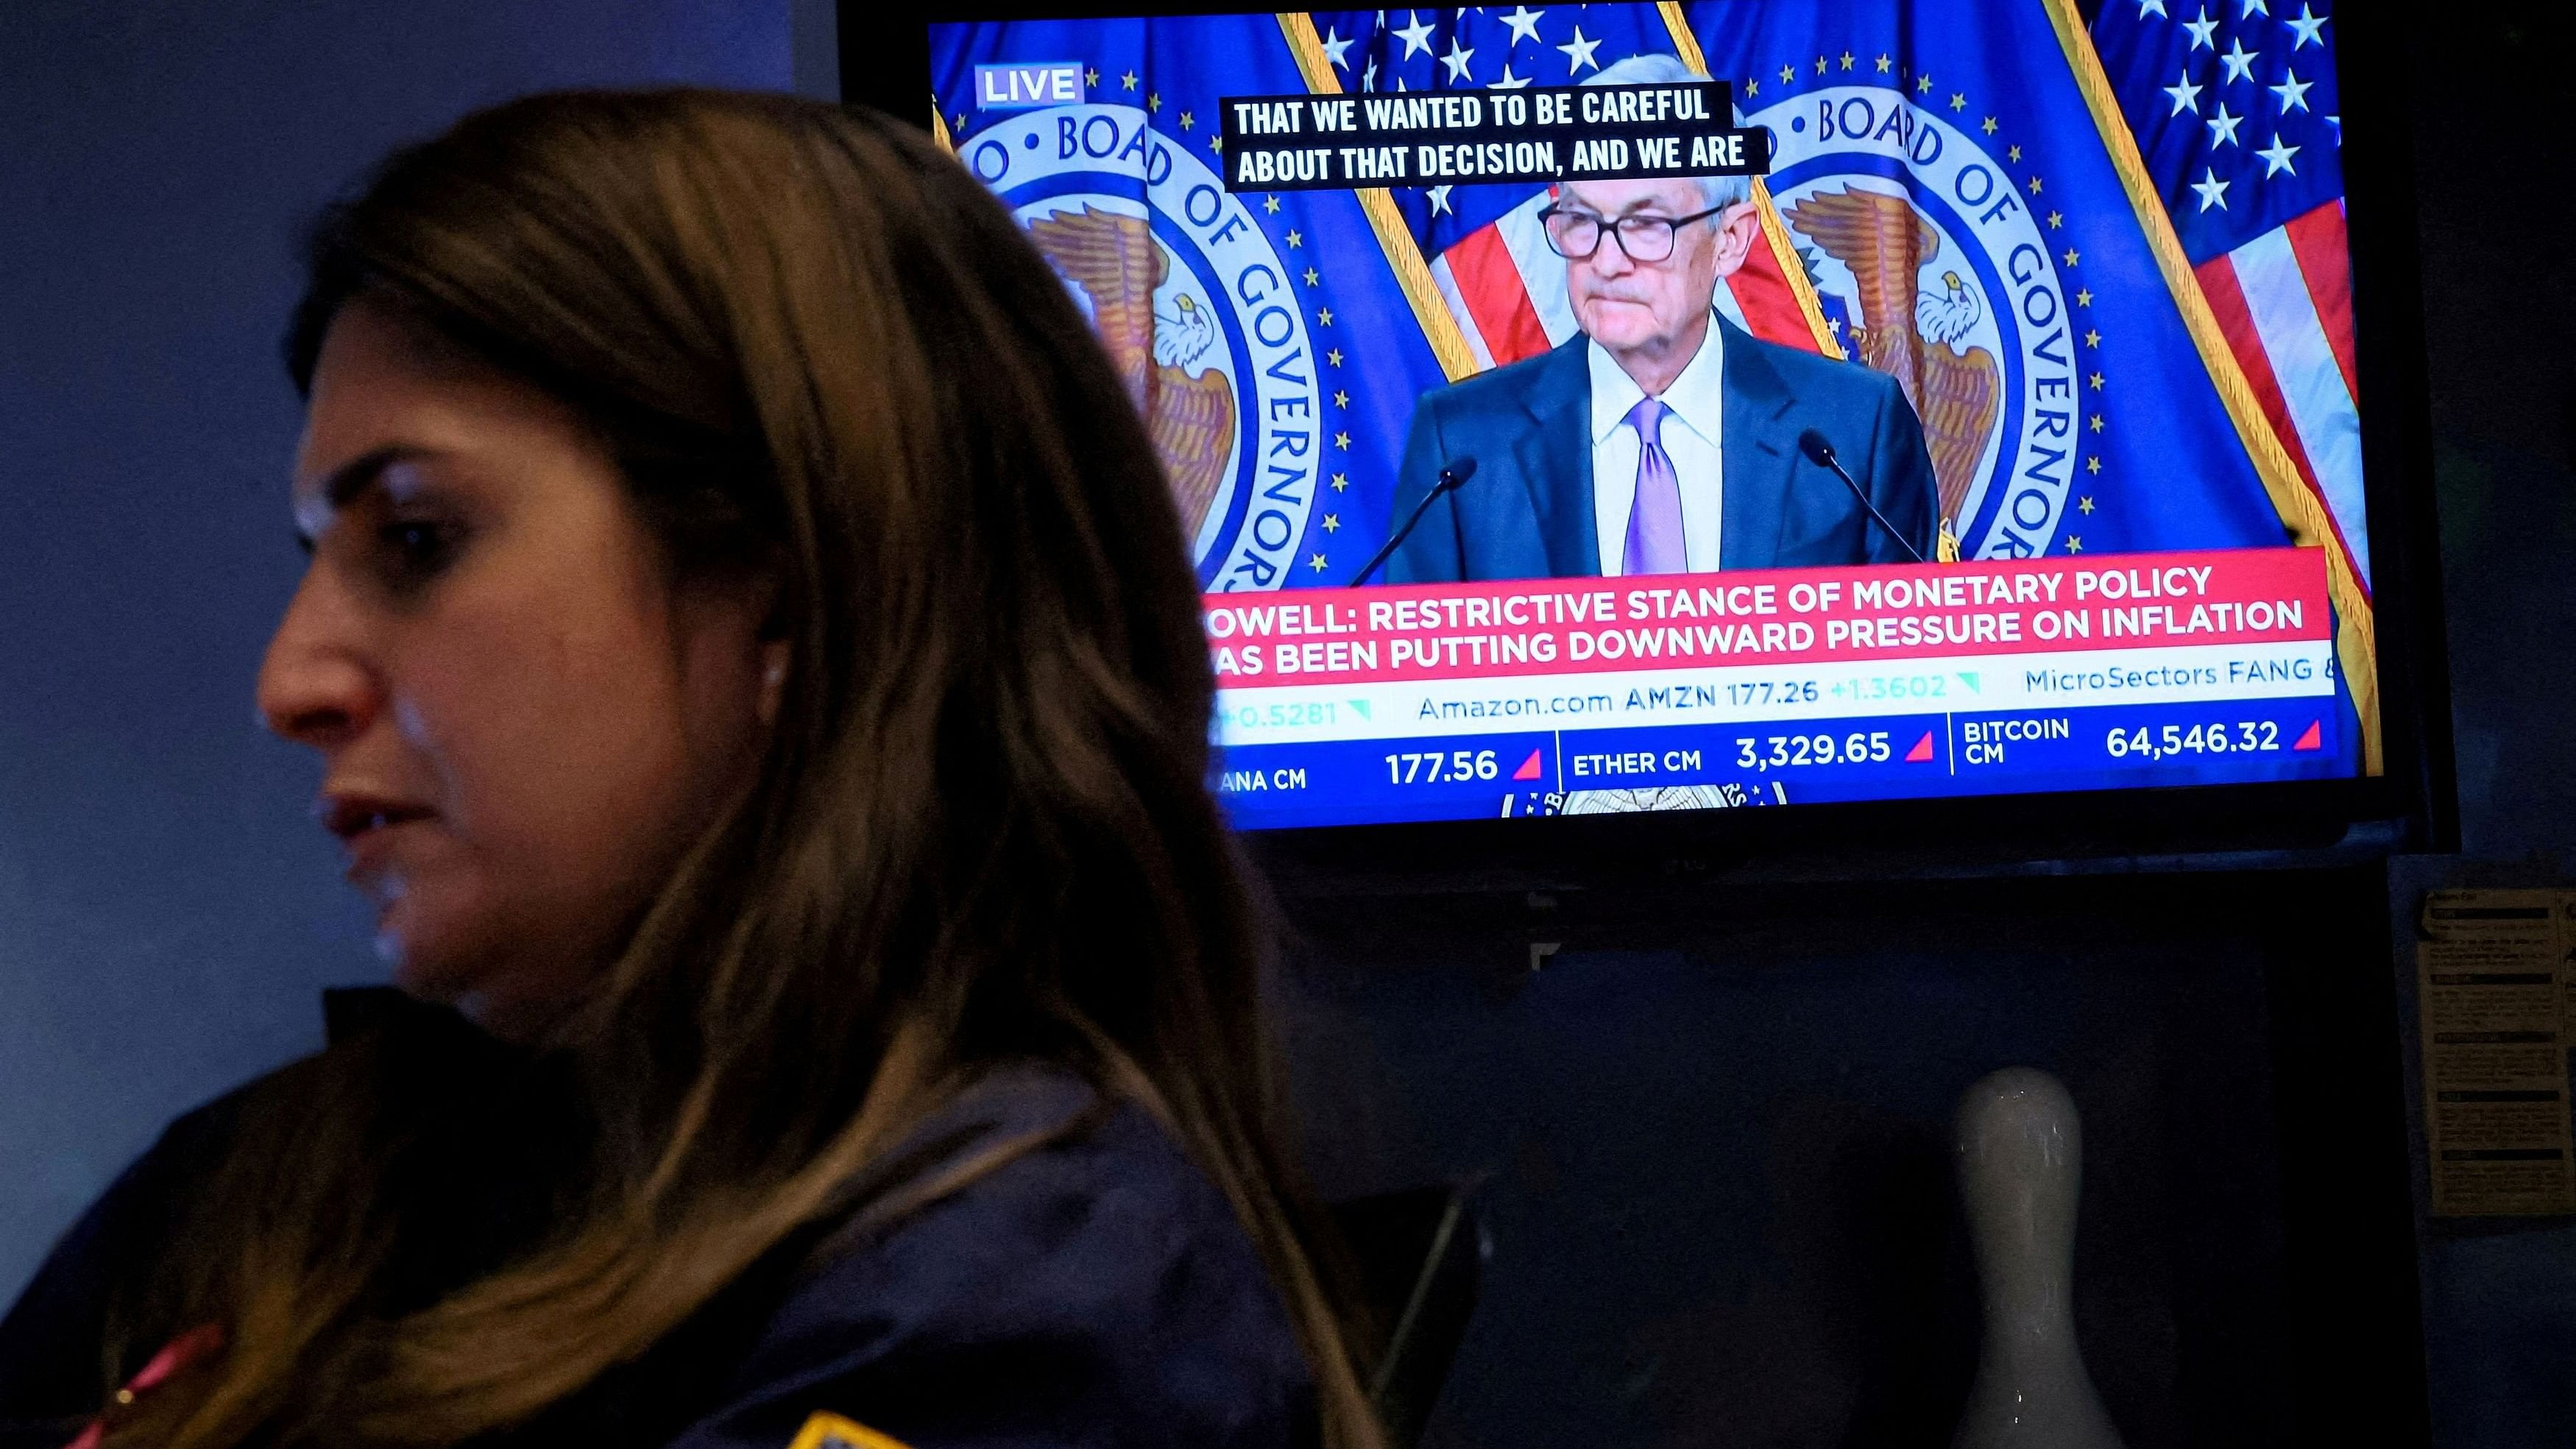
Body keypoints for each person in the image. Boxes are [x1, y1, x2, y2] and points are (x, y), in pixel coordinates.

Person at [0, 90, 1384, 1449]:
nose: (290, 682)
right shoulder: (268, 1192)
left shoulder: (1022, 1301)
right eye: (319, 560)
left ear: (790, 591)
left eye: (417, 539)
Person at [1386, 54, 1939, 585]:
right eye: (1581, 219)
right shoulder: (1460, 446)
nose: (1605, 262)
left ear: (1730, 240)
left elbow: (1914, 665)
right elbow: (1415, 677)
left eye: (1646, 225)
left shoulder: (1853, 433)